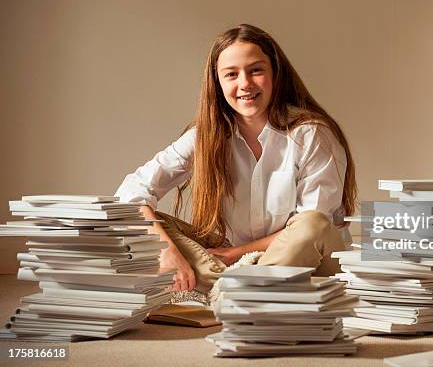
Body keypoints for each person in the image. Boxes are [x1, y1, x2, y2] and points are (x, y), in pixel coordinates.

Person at [115, 24, 357, 293]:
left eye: (256, 70)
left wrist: (238, 252)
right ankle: (240, 291)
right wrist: (166, 251)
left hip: (310, 265)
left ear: (275, 75)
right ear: (217, 83)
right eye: (231, 74)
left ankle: (228, 292)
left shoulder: (310, 134)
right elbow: (131, 192)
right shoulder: (205, 136)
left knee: (313, 224)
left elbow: (315, 227)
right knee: (152, 223)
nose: (245, 84)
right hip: (237, 265)